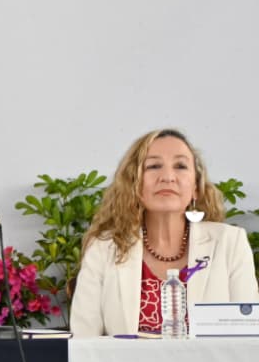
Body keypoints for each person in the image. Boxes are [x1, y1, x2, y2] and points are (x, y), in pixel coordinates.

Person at [72, 129, 259, 336]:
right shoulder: (103, 247)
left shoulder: (230, 242)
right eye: (153, 166)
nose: (168, 177)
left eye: (180, 166)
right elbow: (83, 339)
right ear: (134, 183)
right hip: (122, 360)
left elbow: (248, 338)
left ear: (196, 188)